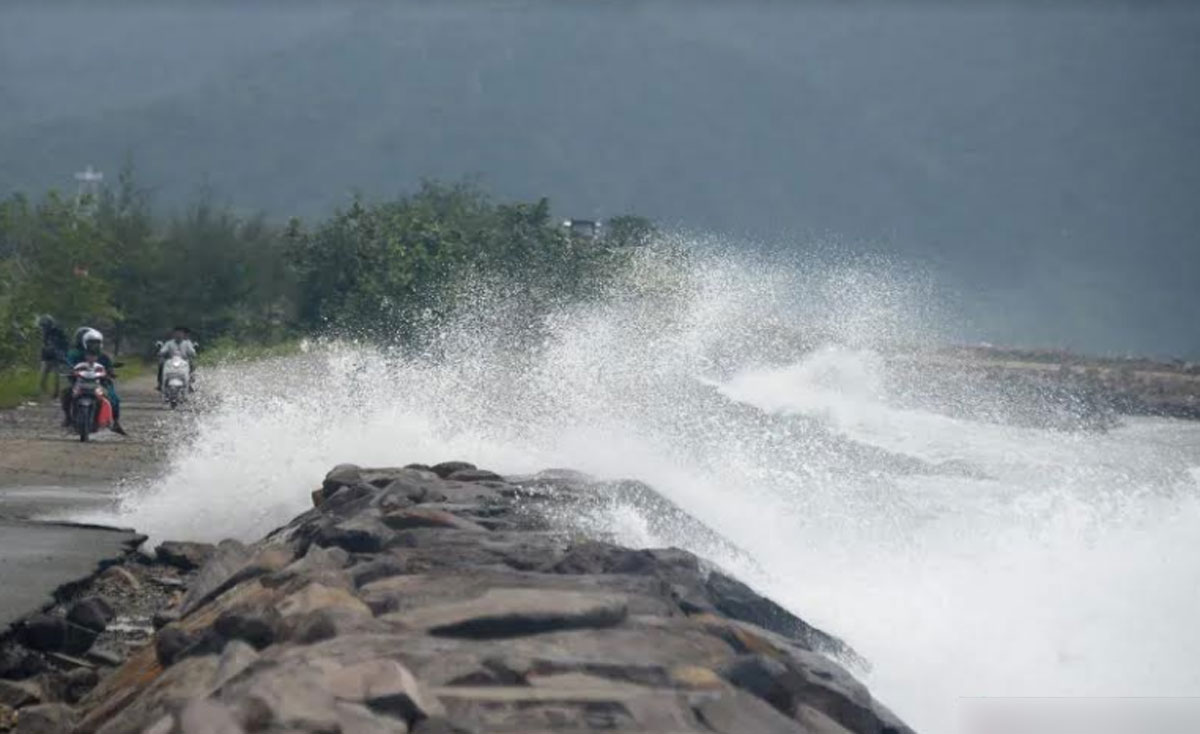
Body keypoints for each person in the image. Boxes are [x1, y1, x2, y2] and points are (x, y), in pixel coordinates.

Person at [61, 328, 126, 436]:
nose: (94, 345)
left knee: (114, 399)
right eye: (91, 343)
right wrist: (69, 372)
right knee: (66, 394)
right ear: (84, 342)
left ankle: (115, 422)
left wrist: (110, 373)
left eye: (96, 343)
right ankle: (68, 417)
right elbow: (68, 365)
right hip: (80, 382)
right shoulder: (75, 354)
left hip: (100, 382)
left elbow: (109, 368)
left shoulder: (103, 356)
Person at [35, 315, 69, 397]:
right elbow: (44, 344)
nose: (44, 328)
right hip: (47, 355)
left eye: (45, 326)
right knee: (43, 375)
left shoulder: (58, 332)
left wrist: (62, 352)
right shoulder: (45, 333)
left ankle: (55, 392)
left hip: (56, 355)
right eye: (43, 326)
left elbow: (65, 343)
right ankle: (45, 392)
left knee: (56, 375)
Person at [157, 326, 197, 391]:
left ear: (183, 334)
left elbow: (192, 352)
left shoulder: (187, 343)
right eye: (177, 333)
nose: (178, 335)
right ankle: (160, 382)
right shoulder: (169, 343)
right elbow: (163, 350)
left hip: (184, 361)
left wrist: (193, 353)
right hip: (171, 361)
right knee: (161, 364)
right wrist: (160, 353)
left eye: (180, 333)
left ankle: (190, 383)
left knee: (192, 364)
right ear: (174, 334)